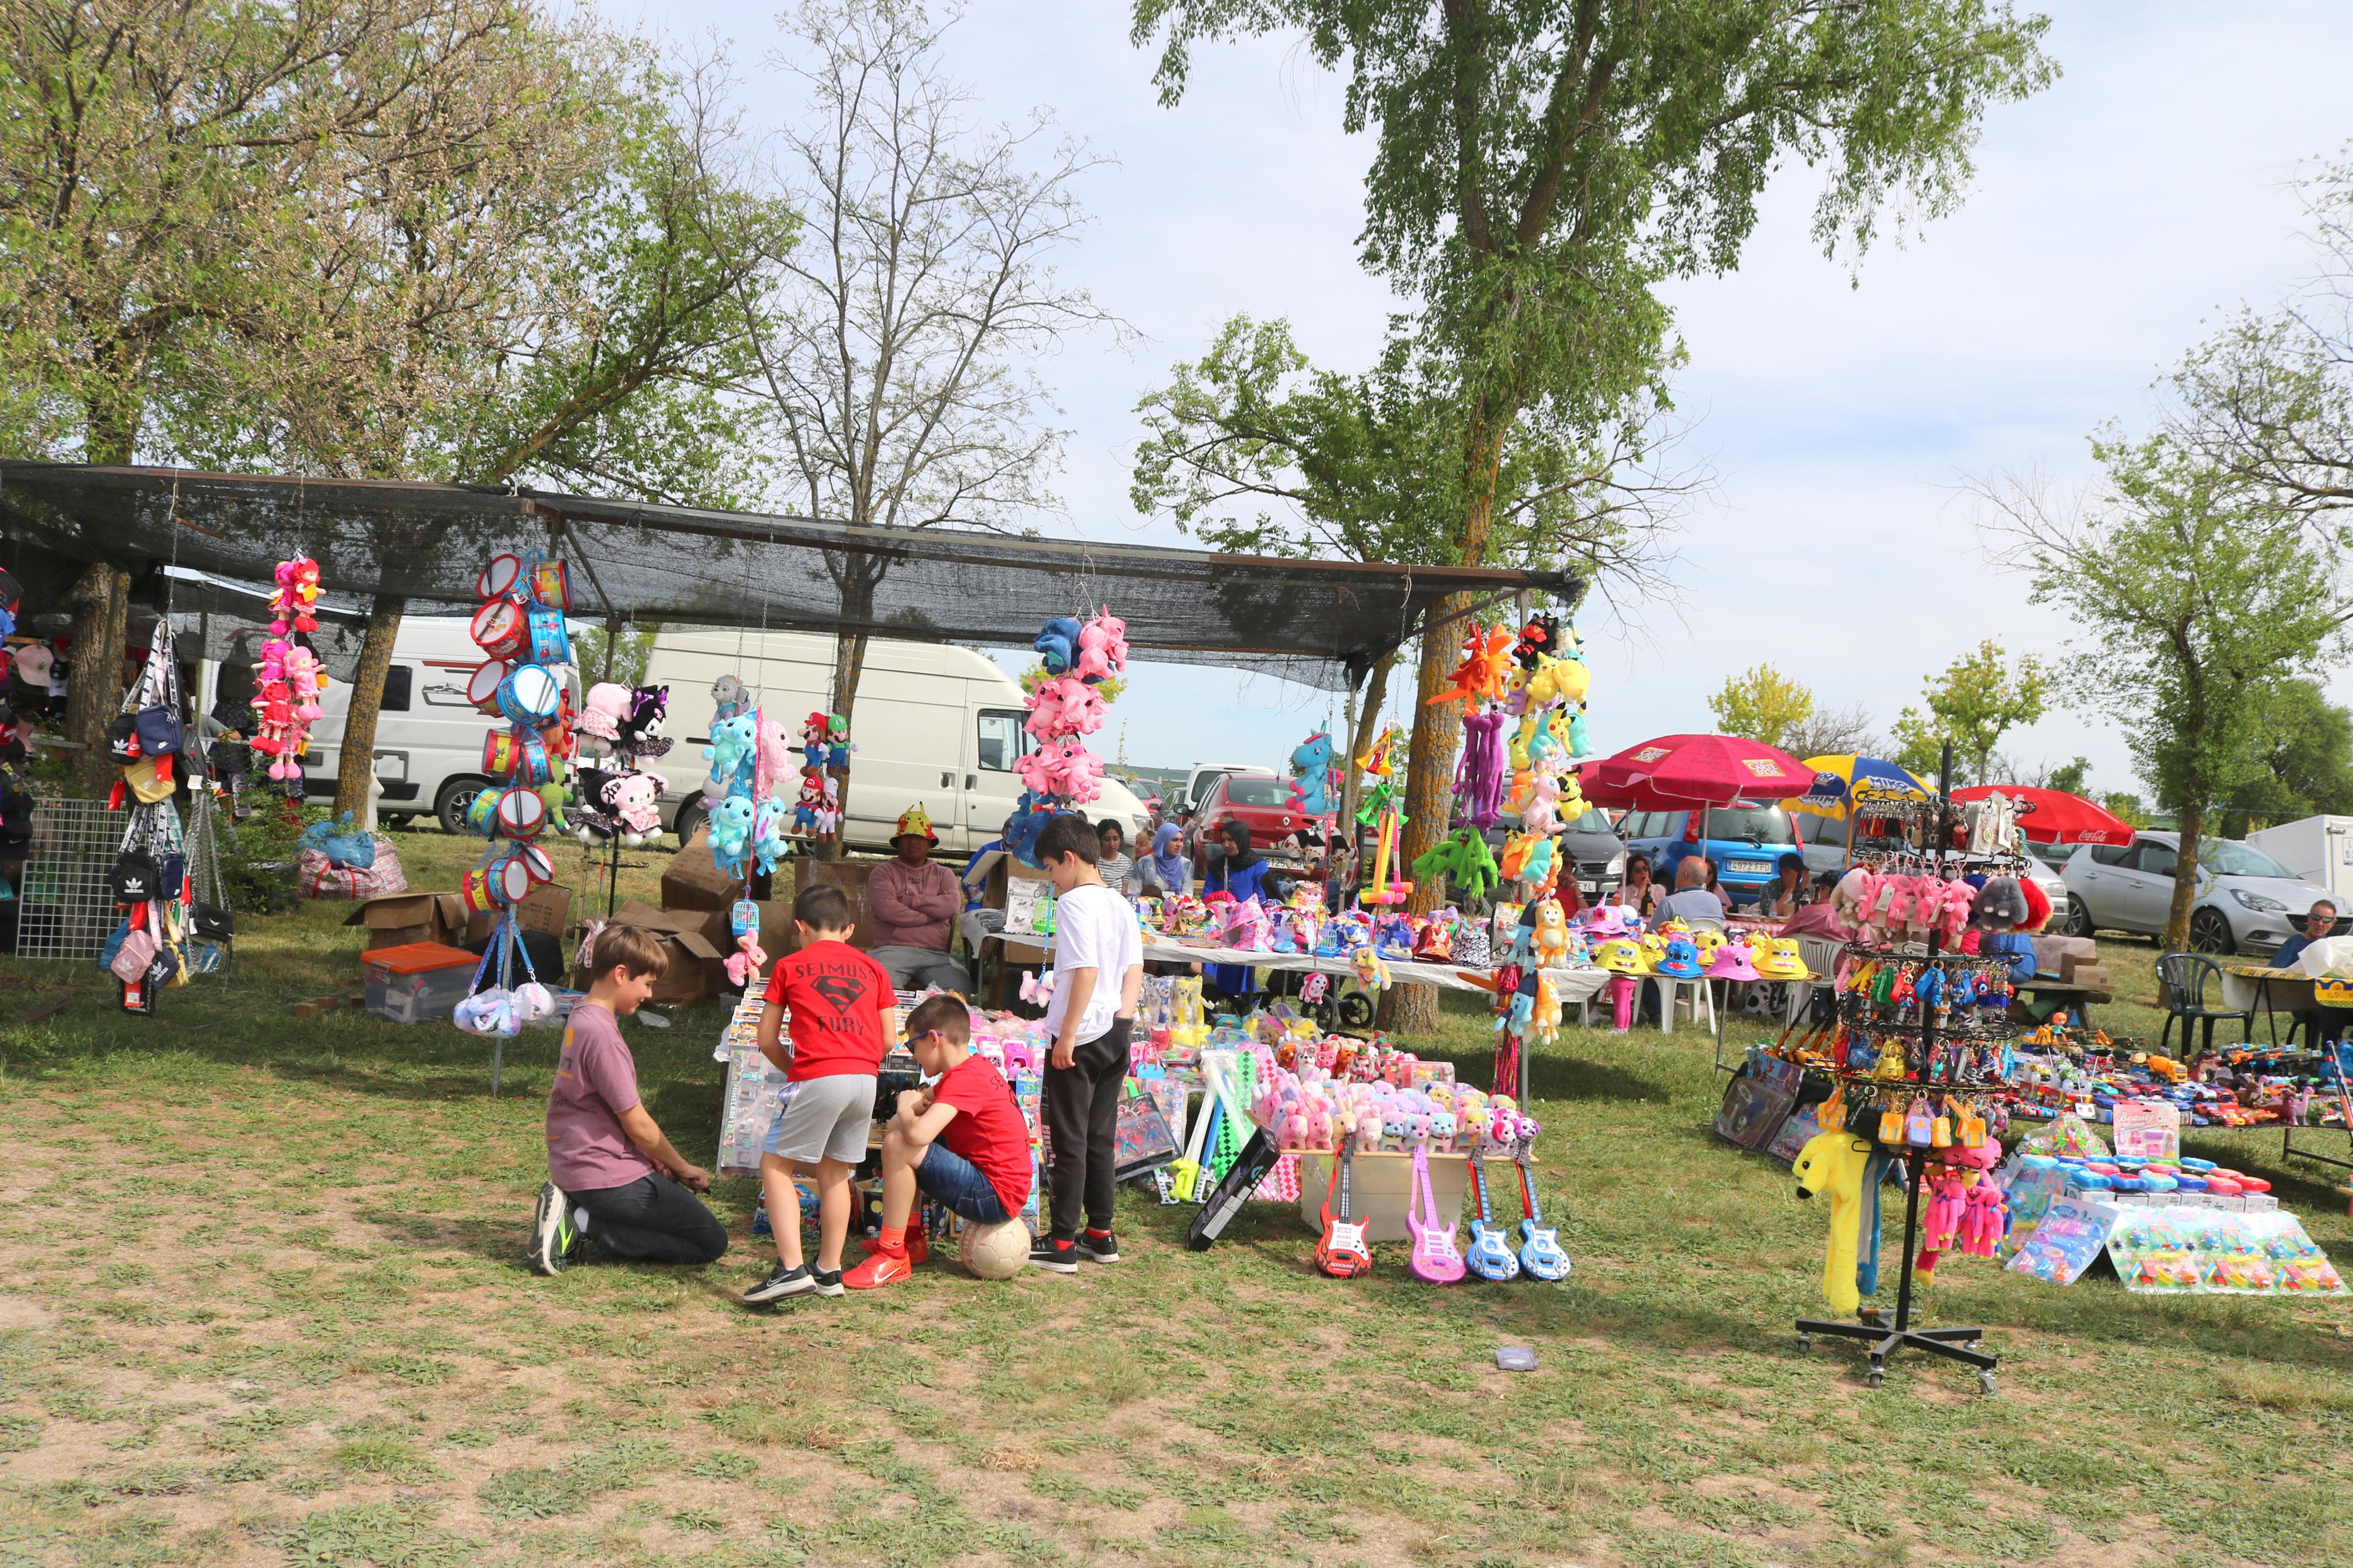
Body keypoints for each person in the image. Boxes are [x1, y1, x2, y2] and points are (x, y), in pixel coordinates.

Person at [531, 927, 727, 1275]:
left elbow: (606, 1110)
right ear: (621, 974)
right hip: (604, 1176)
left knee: (672, 1213)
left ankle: (580, 1209)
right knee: (710, 1242)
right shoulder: (603, 1036)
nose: (648, 994)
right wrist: (683, 1167)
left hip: (576, 1165)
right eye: (648, 984)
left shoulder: (581, 1015)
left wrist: (650, 1157)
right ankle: (583, 1221)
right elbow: (635, 1121)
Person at [744, 884, 896, 1303]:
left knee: (775, 1165)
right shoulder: (874, 968)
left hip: (818, 1076)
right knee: (836, 1174)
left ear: (800, 927)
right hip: (865, 1080)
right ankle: (829, 1270)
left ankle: (791, 1267)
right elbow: (888, 1037)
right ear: (849, 929)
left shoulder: (789, 966)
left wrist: (800, 1072)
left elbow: (766, 1039)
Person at [842, 992, 1034, 1289]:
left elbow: (914, 1134)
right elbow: (898, 1125)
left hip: (994, 1196)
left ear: (933, 1038)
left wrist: (906, 1106)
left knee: (900, 1145)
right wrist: (910, 1109)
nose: (912, 1054)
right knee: (900, 1139)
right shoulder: (971, 1070)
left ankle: (893, 1254)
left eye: (912, 1044)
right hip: (999, 1190)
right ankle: (911, 1239)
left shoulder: (963, 1080)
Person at [1030, 812, 1143, 1272]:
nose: (1052, 880)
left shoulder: (1075, 904)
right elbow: (1133, 966)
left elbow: (1086, 970)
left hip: (1081, 1034)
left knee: (1070, 1139)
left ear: (1070, 859)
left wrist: (1070, 1034)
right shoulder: (1119, 902)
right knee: (1100, 1136)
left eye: (1051, 869)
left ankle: (1061, 1242)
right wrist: (1123, 1019)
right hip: (1117, 1029)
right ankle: (1100, 1231)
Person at [866, 805, 967, 993]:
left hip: (935, 955)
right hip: (890, 951)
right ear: (898, 842)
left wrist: (910, 901)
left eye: (920, 837)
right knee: (876, 984)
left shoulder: (943, 873)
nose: (913, 841)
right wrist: (933, 915)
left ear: (930, 843)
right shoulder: (883, 872)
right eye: (907, 837)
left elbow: (952, 906)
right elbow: (888, 911)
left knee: (959, 987)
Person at [1201, 820, 1279, 999]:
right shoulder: (1217, 866)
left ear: (1242, 839)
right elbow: (1207, 897)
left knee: (1242, 943)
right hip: (1219, 922)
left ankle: (1241, 994)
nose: (1227, 845)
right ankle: (1212, 992)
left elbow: (1262, 899)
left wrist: (1241, 913)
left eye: (1231, 840)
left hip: (1246, 926)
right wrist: (1220, 906)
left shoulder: (1258, 865)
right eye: (1224, 840)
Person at [2270, 900, 2346, 1047]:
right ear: (2308, 918)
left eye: (2327, 920)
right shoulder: (2294, 943)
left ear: (2333, 923)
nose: (2320, 924)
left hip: (2331, 1000)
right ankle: (2326, 1055)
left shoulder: (2333, 947)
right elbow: (2274, 973)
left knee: (2340, 1011)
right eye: (2316, 918)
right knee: (2329, 1013)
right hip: (2301, 1002)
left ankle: (2340, 1055)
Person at [1658, 856, 1727, 927]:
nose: (1676, 874)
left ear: (1684, 875)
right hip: (1713, 937)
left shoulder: (1668, 903)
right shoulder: (1715, 900)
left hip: (1679, 937)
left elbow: (1653, 934)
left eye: (1677, 871)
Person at [1781, 872, 1850, 938]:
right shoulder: (1853, 916)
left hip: (1806, 950)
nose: (1818, 891)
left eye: (1818, 888)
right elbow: (1859, 944)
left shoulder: (1807, 911)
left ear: (1826, 890)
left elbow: (1783, 936)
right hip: (1843, 949)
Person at [1134, 822, 1190, 896]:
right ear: (1164, 840)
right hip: (1146, 906)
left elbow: (1187, 895)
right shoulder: (1144, 862)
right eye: (1174, 840)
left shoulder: (1185, 864)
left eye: (1181, 840)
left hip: (1176, 906)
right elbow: (1134, 892)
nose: (1179, 845)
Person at [1756, 854, 1811, 921]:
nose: (1799, 876)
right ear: (1783, 872)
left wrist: (1804, 887)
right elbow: (1773, 914)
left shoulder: (1801, 889)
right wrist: (1789, 890)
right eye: (1795, 873)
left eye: (1800, 873)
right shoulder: (1769, 887)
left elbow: (1812, 913)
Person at [1096, 819, 1135, 893]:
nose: (1112, 844)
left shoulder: (1126, 863)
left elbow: (1124, 891)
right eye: (1107, 840)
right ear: (1100, 840)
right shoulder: (1092, 860)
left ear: (1120, 839)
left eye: (1115, 839)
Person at [1619, 855, 1662, 920]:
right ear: (1631, 875)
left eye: (1645, 869)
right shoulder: (1624, 892)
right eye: (1638, 870)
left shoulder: (1659, 889)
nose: (1643, 872)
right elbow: (1630, 915)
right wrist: (1641, 892)